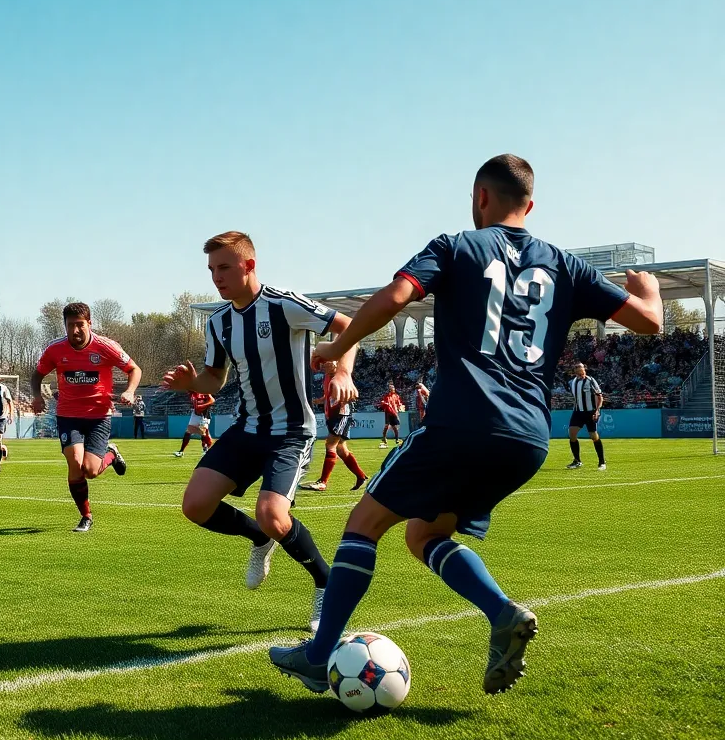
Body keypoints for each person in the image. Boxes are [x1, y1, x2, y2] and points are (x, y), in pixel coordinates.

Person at [268, 154, 662, 696]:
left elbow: (396, 296)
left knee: (363, 526)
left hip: (460, 422)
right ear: (531, 204)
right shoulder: (567, 266)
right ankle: (502, 613)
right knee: (424, 533)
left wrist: (341, 344)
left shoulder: (455, 246)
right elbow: (651, 322)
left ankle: (318, 656)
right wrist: (651, 290)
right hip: (527, 438)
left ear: (480, 196)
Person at [162, 231, 358, 631]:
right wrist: (192, 384)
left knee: (273, 513)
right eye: (212, 269)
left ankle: (325, 582)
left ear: (249, 265)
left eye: (225, 267)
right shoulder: (218, 323)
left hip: (291, 432)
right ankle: (259, 539)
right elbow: (215, 378)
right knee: (195, 507)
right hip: (247, 428)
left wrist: (342, 370)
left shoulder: (283, 304)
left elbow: (347, 326)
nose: (217, 277)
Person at [31, 302, 141, 532]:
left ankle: (111, 453)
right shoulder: (55, 350)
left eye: (80, 325)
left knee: (90, 470)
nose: (75, 331)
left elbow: (134, 369)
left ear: (89, 324)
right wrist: (36, 396)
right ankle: (86, 516)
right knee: (74, 462)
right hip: (68, 415)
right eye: (70, 325)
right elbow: (37, 374)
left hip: (99, 416)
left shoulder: (105, 346)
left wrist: (129, 391)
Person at [299, 360, 368, 492]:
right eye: (324, 363)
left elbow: (353, 395)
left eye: (328, 363)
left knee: (330, 444)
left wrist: (343, 400)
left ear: (336, 364)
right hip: (332, 415)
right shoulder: (327, 377)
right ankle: (360, 476)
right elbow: (328, 396)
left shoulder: (341, 377)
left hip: (341, 415)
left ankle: (323, 482)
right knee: (342, 450)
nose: (324, 365)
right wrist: (319, 400)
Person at [567, 362, 606, 470]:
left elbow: (599, 397)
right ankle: (577, 461)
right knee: (572, 434)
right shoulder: (573, 382)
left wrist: (597, 411)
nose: (578, 368)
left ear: (584, 368)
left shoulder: (590, 380)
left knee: (594, 436)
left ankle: (602, 462)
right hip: (578, 412)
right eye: (575, 367)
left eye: (579, 366)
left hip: (590, 412)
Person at [174, 392, 214, 457]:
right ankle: (181, 451)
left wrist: (203, 405)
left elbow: (212, 400)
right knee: (188, 432)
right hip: (195, 414)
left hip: (204, 415)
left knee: (203, 432)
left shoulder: (204, 392)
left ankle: (205, 450)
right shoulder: (193, 392)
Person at [378, 383, 405, 448]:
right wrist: (384, 403)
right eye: (392, 388)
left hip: (394, 412)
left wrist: (400, 407)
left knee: (395, 427)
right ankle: (384, 438)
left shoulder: (396, 396)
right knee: (387, 425)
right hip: (388, 412)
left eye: (393, 388)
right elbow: (383, 403)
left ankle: (396, 439)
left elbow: (399, 403)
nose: (393, 389)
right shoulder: (386, 396)